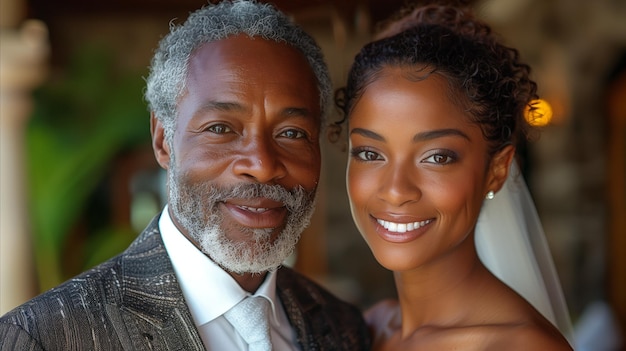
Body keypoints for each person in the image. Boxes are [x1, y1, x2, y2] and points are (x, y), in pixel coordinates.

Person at [0, 1, 371, 350]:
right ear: (163, 141)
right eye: (221, 128)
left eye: (291, 133)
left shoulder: (343, 328)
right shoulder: (46, 338)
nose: (261, 164)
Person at [334, 3, 574, 350]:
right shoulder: (366, 329)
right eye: (371, 154)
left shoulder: (521, 346)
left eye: (437, 157)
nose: (396, 190)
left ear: (497, 171)